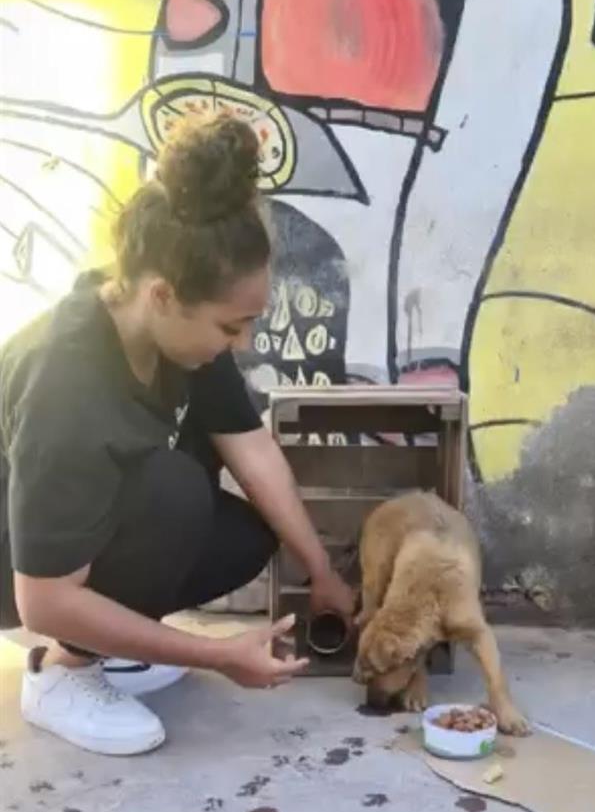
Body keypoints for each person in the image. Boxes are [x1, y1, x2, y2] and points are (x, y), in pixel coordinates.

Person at [0, 112, 354, 756]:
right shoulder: (67, 382)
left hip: (75, 543)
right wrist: (216, 656)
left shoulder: (178, 337)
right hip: (21, 569)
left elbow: (252, 450)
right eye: (231, 326)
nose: (242, 342)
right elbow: (44, 600)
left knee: (246, 532)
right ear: (162, 296)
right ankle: (60, 674)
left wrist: (323, 571)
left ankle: (113, 645)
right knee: (175, 492)